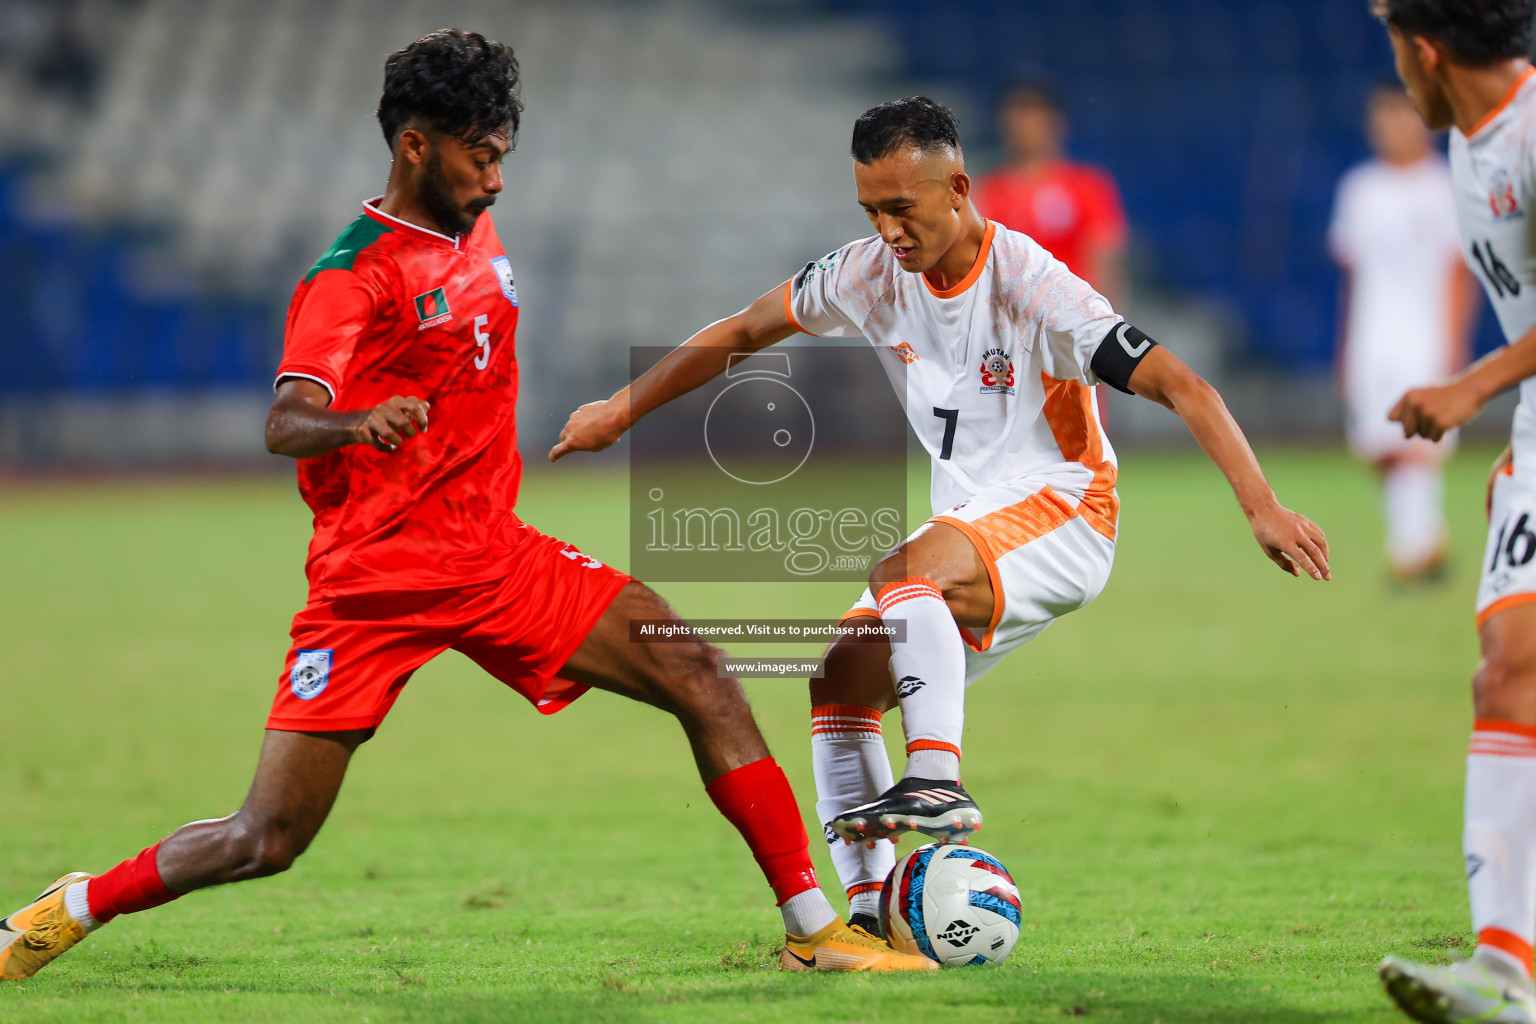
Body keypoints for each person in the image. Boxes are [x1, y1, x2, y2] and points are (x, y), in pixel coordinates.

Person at [0, 30, 937, 981]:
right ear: (415, 145)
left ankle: (814, 930)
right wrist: (360, 421)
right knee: (266, 836)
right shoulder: (351, 273)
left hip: (495, 557)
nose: (496, 179)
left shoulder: (471, 226)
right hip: (378, 580)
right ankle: (69, 908)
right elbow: (286, 421)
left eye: (501, 155)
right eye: (479, 156)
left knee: (698, 670)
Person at [551, 96, 1330, 935]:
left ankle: (936, 776)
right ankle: (869, 914)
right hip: (970, 529)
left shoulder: (1032, 284)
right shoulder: (868, 274)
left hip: (1065, 513)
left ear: (957, 187)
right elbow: (743, 329)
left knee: (900, 571)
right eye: (871, 211)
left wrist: (1262, 506)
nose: (889, 231)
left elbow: (1184, 383)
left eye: (902, 209)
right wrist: (620, 410)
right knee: (838, 681)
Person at [1371, 1, 1536, 1020]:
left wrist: (1474, 392)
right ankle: (1506, 970)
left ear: (1426, 51)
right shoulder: (1469, 148)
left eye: (1397, 50)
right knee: (1507, 671)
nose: (1397, 76)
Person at [1329, 81, 1476, 584]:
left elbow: (1460, 271)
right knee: (1377, 447)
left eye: (1401, 116)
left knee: (1419, 441)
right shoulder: (1360, 189)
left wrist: (1453, 342)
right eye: (1383, 118)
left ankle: (1412, 551)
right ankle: (1425, 541)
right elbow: (1352, 276)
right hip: (1372, 336)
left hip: (1423, 334)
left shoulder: (1443, 187)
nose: (1391, 127)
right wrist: (1345, 349)